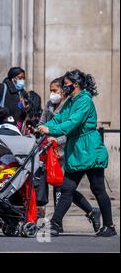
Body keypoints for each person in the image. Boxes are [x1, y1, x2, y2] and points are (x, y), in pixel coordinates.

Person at [38, 70, 116, 237]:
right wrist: (44, 126)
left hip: (90, 149)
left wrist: (51, 130)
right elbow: (60, 118)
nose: (64, 86)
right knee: (67, 189)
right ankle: (55, 224)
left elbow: (72, 123)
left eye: (66, 84)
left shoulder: (85, 101)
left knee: (98, 189)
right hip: (76, 150)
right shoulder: (71, 101)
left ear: (76, 84)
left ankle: (109, 226)